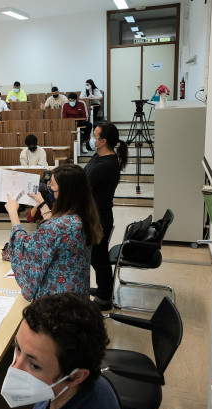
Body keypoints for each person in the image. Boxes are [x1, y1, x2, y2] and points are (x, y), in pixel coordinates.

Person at [1, 293, 124, 409]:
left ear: (75, 376)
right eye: (18, 348)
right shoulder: (68, 386)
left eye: (34, 365)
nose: (14, 368)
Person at [5, 164, 102, 301]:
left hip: (56, 301)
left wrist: (13, 213)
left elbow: (26, 247)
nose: (49, 187)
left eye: (52, 184)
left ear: (65, 191)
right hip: (77, 294)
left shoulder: (57, 227)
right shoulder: (84, 216)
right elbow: (58, 231)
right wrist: (41, 203)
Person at [85, 123, 128, 311]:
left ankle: (104, 298)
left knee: (98, 258)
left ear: (103, 142)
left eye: (95, 136)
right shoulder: (99, 156)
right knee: (97, 256)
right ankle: (104, 289)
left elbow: (85, 182)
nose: (92, 139)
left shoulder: (107, 165)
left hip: (100, 219)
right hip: (95, 215)